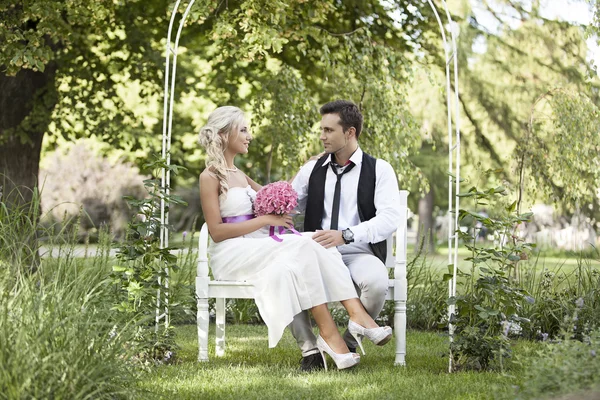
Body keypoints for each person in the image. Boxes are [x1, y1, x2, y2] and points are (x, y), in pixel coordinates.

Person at [198, 105, 391, 371]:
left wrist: (306, 169)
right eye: (243, 130)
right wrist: (269, 217)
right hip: (233, 252)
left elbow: (277, 195)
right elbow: (216, 231)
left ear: (349, 132)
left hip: (272, 247)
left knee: (292, 265)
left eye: (327, 130)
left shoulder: (240, 175)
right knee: (309, 242)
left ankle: (333, 341)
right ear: (223, 134)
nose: (249, 136)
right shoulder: (209, 176)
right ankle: (353, 318)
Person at [290, 100, 402, 370]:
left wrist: (347, 235)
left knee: (376, 282)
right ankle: (311, 352)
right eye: (322, 130)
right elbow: (289, 205)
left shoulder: (380, 169)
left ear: (350, 132)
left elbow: (389, 218)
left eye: (329, 130)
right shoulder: (312, 168)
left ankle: (347, 343)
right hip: (317, 252)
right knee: (289, 277)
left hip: (358, 249)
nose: (322, 136)